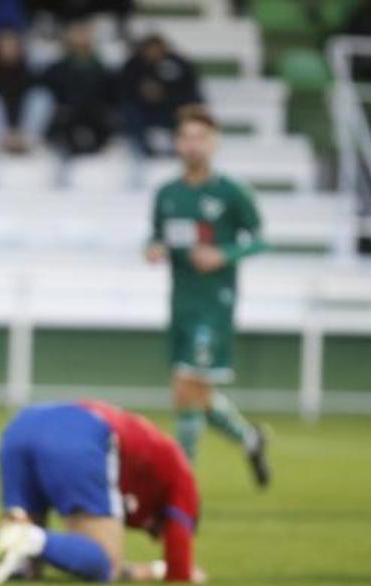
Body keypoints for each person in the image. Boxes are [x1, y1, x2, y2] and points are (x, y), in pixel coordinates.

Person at [0, 400, 205, 586]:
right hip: (81, 433)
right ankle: (29, 535)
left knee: (22, 565)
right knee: (106, 563)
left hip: (21, 429)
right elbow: (179, 568)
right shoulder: (183, 478)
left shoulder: (148, 462)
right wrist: (178, 572)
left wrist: (145, 570)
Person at [145, 105, 270, 484]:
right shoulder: (167, 193)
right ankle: (250, 440)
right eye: (186, 137)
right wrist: (153, 247)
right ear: (177, 143)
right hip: (181, 302)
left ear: (214, 143)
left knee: (185, 389)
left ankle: (181, 484)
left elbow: (260, 241)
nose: (192, 145)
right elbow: (158, 236)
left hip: (215, 304)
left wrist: (224, 254)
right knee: (193, 391)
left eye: (201, 137)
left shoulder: (231, 192)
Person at [41, 19, 116, 167]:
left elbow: (111, 96)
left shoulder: (103, 69)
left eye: (84, 35)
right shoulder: (56, 69)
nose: (81, 40)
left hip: (95, 117)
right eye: (77, 35)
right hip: (66, 117)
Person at [118, 34, 202, 158]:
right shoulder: (133, 65)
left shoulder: (178, 64)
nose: (154, 53)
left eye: (157, 49)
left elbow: (189, 89)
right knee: (130, 112)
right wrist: (143, 94)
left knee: (188, 111)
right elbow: (123, 91)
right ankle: (142, 148)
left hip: (171, 107)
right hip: (142, 110)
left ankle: (182, 146)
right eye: (150, 50)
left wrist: (165, 94)